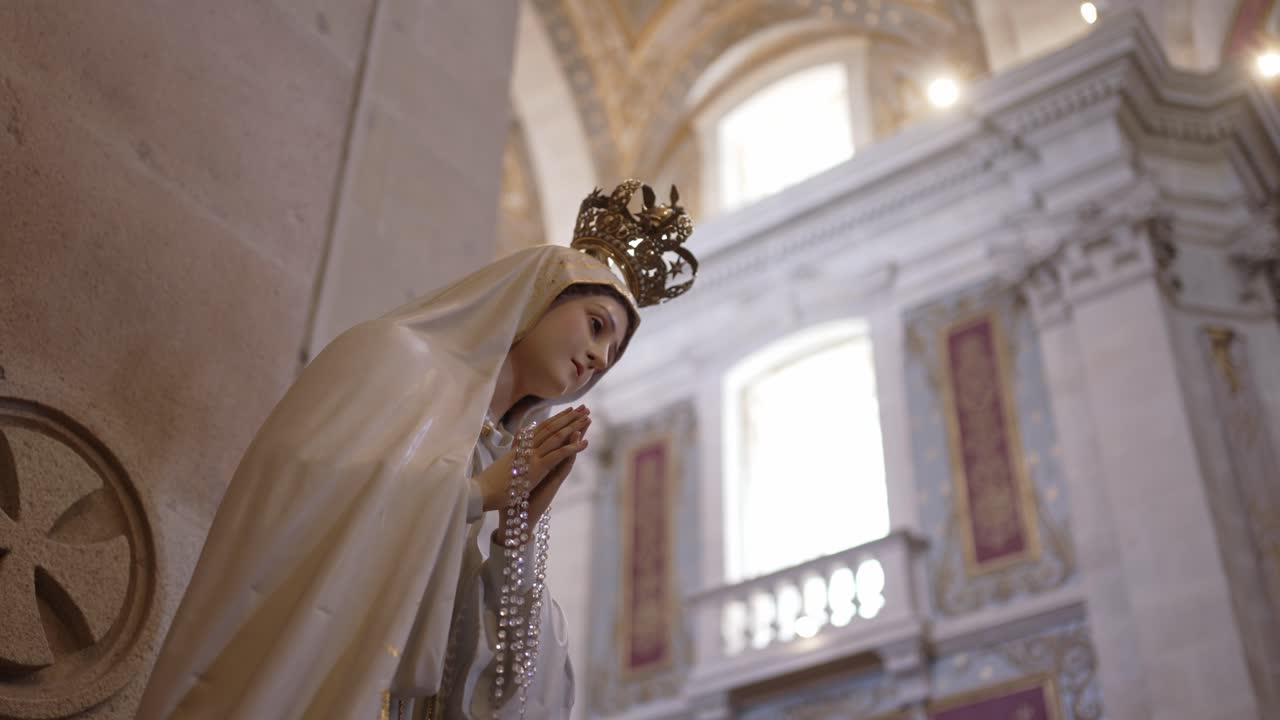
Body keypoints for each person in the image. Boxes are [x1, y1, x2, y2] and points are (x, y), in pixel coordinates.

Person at [135, 180, 697, 719]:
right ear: (539, 297)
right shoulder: (392, 358)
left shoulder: (498, 452)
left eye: (611, 353)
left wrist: (516, 538)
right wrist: (476, 494)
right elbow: (300, 506)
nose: (598, 357)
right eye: (596, 326)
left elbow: (513, 691)